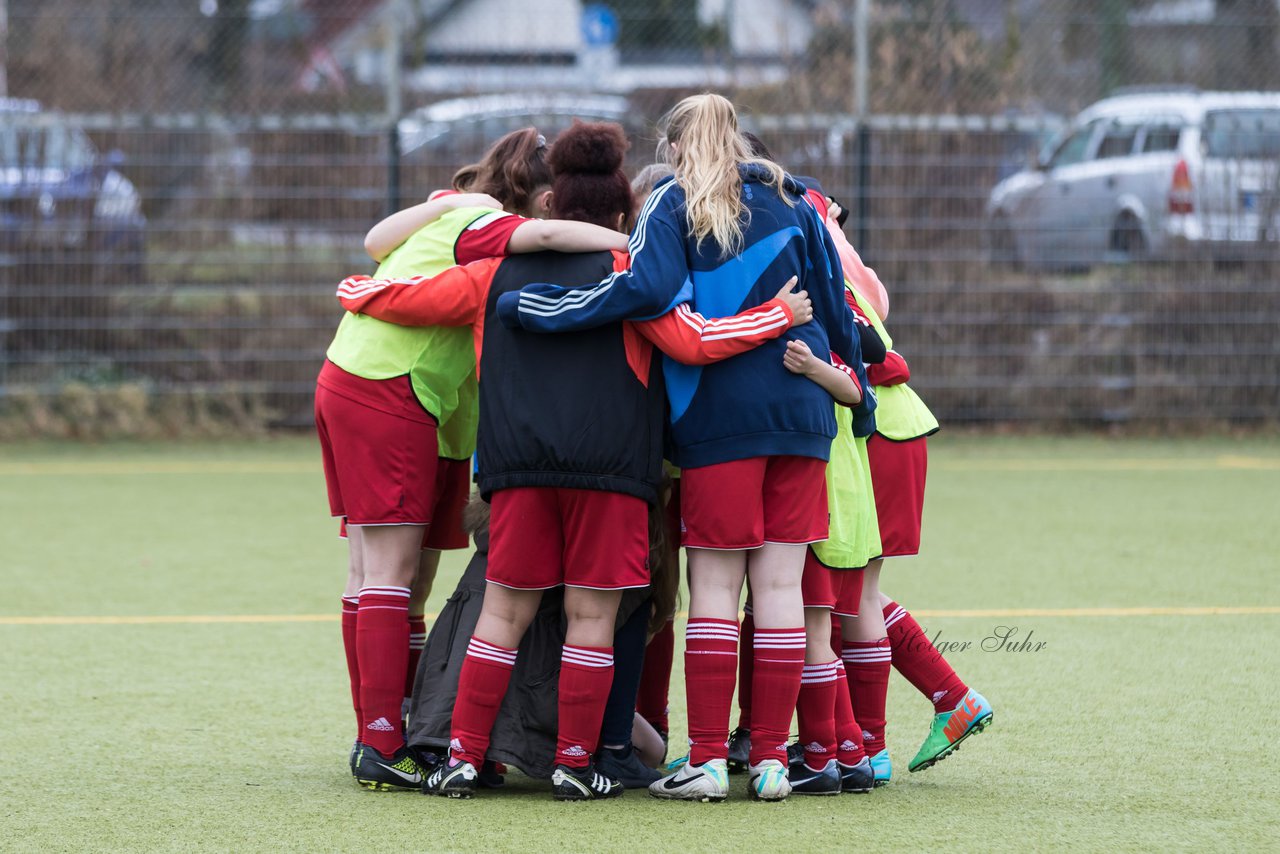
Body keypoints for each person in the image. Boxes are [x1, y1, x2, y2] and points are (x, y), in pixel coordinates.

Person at [332, 120, 814, 800]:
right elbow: (692, 343)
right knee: (594, 619)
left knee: (502, 614)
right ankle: (577, 763)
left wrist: (366, 292)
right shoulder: (638, 275)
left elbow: (422, 299)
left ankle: (463, 756)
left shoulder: (493, 270)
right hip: (612, 478)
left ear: (550, 206)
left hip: (519, 472)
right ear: (625, 214)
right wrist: (775, 317)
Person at [494, 94, 874, 801]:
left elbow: (641, 290)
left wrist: (536, 308)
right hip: (805, 417)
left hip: (720, 420)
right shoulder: (797, 201)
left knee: (718, 589)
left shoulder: (670, 206)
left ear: (671, 148)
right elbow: (840, 306)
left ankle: (703, 759)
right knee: (782, 588)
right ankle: (766, 762)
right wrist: (858, 396)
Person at [318, 127, 629, 791]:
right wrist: (627, 241)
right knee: (389, 572)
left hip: (381, 386)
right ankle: (380, 741)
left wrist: (437, 207)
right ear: (543, 198)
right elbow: (542, 241)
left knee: (385, 574)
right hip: (391, 388)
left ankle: (394, 726)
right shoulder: (492, 226)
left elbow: (376, 242)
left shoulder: (457, 208)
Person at [821, 199, 993, 783]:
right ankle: (931, 710)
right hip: (894, 425)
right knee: (854, 594)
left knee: (843, 597)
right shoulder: (835, 246)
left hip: (872, 428)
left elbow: (868, 341)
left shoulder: (806, 242)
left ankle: (864, 748)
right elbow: (879, 306)